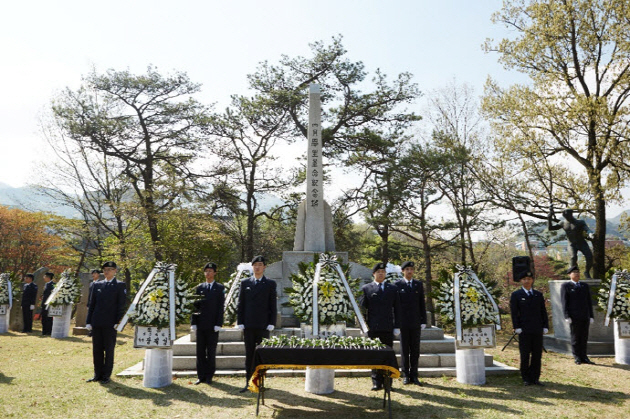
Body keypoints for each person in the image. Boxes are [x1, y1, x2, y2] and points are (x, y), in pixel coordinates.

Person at [237, 255, 277, 393]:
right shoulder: (245, 283)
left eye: (260, 264)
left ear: (264, 267)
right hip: (248, 325)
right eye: (255, 265)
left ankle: (260, 383)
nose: (258, 267)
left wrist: (272, 322)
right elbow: (240, 304)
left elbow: (273, 305)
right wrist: (240, 321)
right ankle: (248, 382)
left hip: (263, 325)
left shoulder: (270, 283)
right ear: (252, 267)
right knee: (249, 355)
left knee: (262, 355)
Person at [361, 262, 401, 391]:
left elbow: (398, 309)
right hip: (374, 328)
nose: (381, 274)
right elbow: (362, 309)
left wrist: (397, 326)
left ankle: (388, 382)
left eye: (383, 272)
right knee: (375, 355)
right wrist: (364, 328)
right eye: (378, 272)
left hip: (388, 327)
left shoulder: (392, 288)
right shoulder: (367, 288)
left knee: (387, 355)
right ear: (373, 274)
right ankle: (376, 382)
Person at [85, 261, 127, 384]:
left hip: (110, 323)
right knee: (97, 349)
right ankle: (97, 374)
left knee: (109, 349)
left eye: (110, 269)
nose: (107, 271)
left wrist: (118, 321)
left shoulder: (120, 285)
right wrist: (88, 321)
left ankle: (106, 375)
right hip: (97, 321)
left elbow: (121, 305)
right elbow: (91, 304)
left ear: (115, 271)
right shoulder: (97, 285)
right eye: (105, 269)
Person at [510, 271, 549, 386]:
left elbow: (543, 311)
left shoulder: (538, 294)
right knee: (525, 354)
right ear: (521, 281)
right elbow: (514, 313)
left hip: (537, 329)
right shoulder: (516, 295)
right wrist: (516, 326)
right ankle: (526, 377)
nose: (527, 281)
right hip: (524, 329)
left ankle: (535, 377)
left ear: (532, 280)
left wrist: (545, 326)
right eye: (524, 279)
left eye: (529, 278)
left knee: (537, 354)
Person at [191, 262, 225, 385]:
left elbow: (220, 307)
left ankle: (210, 375)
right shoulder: (199, 288)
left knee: (211, 352)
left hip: (212, 325)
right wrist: (193, 322)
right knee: (200, 351)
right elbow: (194, 306)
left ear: (215, 273)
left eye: (210, 271)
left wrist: (218, 323)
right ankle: (201, 376)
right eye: (206, 271)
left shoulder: (219, 288)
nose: (208, 273)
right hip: (201, 324)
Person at [394, 261, 426, 386]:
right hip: (403, 323)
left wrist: (423, 320)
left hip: (415, 322)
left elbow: (421, 304)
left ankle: (414, 375)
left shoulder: (418, 284)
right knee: (404, 349)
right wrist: (396, 323)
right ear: (403, 271)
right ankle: (405, 375)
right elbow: (395, 306)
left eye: (411, 269)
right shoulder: (397, 285)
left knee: (415, 350)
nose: (409, 271)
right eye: (407, 269)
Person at [561, 265, 595, 365]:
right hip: (574, 316)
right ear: (569, 275)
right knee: (575, 337)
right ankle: (577, 356)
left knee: (584, 337)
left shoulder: (584, 286)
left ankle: (584, 356)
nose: (576, 274)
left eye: (578, 272)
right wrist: (566, 316)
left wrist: (591, 315)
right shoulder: (566, 286)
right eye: (574, 272)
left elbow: (589, 302)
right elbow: (564, 302)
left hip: (585, 315)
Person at [548, 208, 593, 278]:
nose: (565, 217)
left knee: (589, 257)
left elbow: (587, 229)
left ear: (571, 214)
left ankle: (586, 271)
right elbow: (551, 228)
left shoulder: (580, 222)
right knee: (573, 257)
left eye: (566, 215)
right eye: (564, 216)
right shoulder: (562, 223)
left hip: (582, 243)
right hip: (571, 244)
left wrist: (590, 233)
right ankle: (573, 274)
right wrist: (549, 218)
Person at [86, 269, 102, 337]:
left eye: (95, 273)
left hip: (97, 303)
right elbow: (90, 294)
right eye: (92, 273)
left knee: (95, 317)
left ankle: (94, 331)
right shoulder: (91, 283)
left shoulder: (100, 283)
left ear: (98, 274)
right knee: (90, 316)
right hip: (90, 302)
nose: (93, 275)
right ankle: (90, 331)